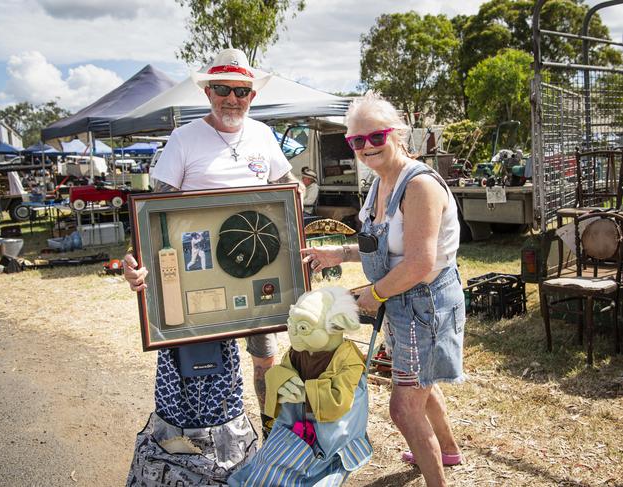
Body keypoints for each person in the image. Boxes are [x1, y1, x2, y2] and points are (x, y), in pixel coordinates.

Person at [124, 48, 302, 445]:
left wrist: (293, 203)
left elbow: (288, 186)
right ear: (208, 92)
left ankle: (269, 437)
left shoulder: (262, 134)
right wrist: (135, 260)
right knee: (204, 368)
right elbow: (152, 213)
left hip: (261, 270)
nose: (232, 98)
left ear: (252, 96)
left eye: (241, 91)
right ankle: (211, 449)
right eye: (222, 88)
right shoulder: (184, 138)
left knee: (265, 361)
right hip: (197, 270)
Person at [301, 91, 465, 487]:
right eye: (356, 141)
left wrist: (372, 295)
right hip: (402, 300)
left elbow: (420, 263)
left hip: (425, 304)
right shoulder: (379, 183)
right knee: (420, 384)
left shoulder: (419, 186)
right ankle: (448, 449)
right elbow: (385, 249)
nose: (366, 147)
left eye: (376, 137)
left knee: (404, 408)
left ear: (399, 134)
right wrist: (338, 253)